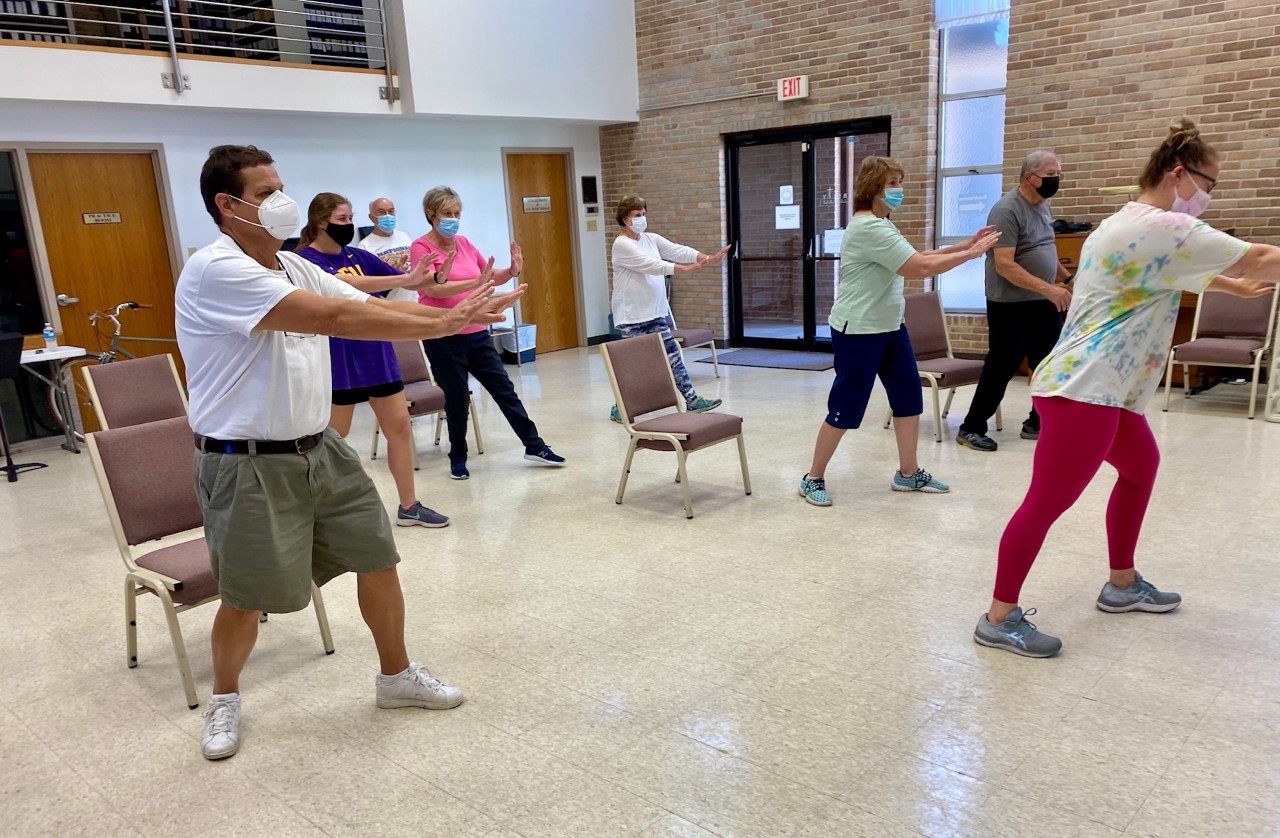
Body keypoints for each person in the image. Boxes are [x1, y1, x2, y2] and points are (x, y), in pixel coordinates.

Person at [177, 145, 523, 760]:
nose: (280, 201)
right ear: (227, 206)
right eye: (265, 193)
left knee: (378, 558)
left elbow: (368, 303)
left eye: (281, 186)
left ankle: (396, 676)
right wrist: (443, 326)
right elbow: (335, 316)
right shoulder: (214, 269)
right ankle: (224, 699)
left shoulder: (292, 264)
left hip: (321, 449)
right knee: (245, 596)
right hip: (246, 459)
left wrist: (452, 305)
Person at [974, 120, 1279, 658]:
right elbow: (1256, 255)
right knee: (1046, 503)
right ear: (1180, 174)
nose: (1208, 197)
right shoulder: (1162, 226)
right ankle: (998, 617)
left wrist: (1234, 283)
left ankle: (1121, 584)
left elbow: (1175, 271)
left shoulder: (1129, 225)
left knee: (1140, 470)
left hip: (1106, 390)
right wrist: (1246, 272)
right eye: (1209, 185)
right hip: (1083, 390)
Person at [798, 156, 999, 507]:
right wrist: (972, 255)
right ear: (873, 187)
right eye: (892, 183)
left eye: (899, 182)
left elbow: (917, 254)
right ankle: (812, 477)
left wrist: (965, 245)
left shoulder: (883, 224)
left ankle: (908, 473)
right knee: (846, 406)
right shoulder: (868, 228)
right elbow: (918, 267)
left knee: (908, 398)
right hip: (859, 329)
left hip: (890, 326)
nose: (898, 190)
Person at [295, 191, 474, 528]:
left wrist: (434, 276)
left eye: (350, 219)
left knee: (399, 429)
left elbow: (406, 282)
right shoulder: (305, 261)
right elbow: (346, 286)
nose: (350, 225)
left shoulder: (357, 254)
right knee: (334, 439)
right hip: (339, 359)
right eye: (342, 220)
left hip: (376, 353)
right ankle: (321, 510)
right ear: (321, 223)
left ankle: (410, 505)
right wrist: (403, 278)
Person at [410, 185, 564, 480]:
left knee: (505, 391)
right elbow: (430, 287)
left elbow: (487, 275)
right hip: (443, 336)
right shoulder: (422, 248)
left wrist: (512, 270)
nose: (453, 219)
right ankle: (458, 457)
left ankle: (534, 446)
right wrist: (472, 284)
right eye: (447, 213)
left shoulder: (464, 243)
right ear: (431, 215)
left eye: (457, 213)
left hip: (476, 332)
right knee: (456, 400)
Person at [957, 150, 1073, 452]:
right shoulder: (1006, 211)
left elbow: (1045, 247)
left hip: (1041, 299)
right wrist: (1048, 289)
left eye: (1058, 174)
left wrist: (1066, 278)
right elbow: (1005, 265)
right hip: (1010, 303)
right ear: (1029, 177)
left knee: (1049, 362)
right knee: (1002, 365)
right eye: (1050, 175)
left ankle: (1037, 421)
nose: (1056, 180)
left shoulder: (1043, 204)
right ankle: (971, 427)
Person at [609, 195, 731, 422]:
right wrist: (683, 270)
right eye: (637, 215)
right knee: (635, 366)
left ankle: (692, 400)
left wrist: (707, 259)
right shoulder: (621, 244)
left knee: (673, 355)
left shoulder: (650, 239)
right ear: (625, 218)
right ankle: (620, 407)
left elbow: (677, 250)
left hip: (654, 312)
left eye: (644, 214)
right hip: (632, 316)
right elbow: (651, 265)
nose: (642, 219)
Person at [358, 197, 417, 302]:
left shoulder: (404, 236)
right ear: (372, 217)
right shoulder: (364, 247)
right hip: (392, 305)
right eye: (382, 212)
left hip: (416, 300)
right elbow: (370, 285)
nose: (388, 216)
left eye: (391, 211)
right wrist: (395, 274)